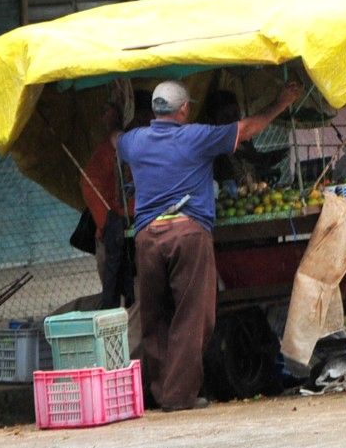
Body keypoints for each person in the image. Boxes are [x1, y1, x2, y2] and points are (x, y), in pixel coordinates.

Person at [117, 78, 302, 411]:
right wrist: (280, 103)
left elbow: (117, 140)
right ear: (184, 109)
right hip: (187, 234)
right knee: (193, 316)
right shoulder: (196, 136)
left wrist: (113, 121)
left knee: (155, 317)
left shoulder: (135, 141)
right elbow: (245, 129)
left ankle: (159, 393)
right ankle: (179, 396)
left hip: (147, 238)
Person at [81, 97, 137, 310]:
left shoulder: (138, 146)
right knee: (113, 290)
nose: (106, 117)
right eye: (104, 111)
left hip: (139, 226)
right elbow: (90, 186)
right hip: (112, 229)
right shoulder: (104, 153)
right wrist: (109, 221)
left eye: (109, 111)